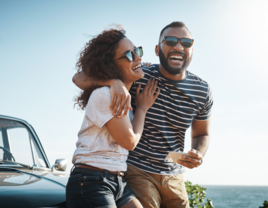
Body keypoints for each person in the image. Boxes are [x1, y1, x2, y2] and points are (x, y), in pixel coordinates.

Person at [72, 21, 213, 208]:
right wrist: (113, 81)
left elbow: (202, 134)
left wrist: (198, 153)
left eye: (186, 43)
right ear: (157, 49)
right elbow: (79, 77)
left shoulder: (202, 90)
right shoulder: (139, 73)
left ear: (192, 49)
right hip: (137, 170)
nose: (178, 46)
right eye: (170, 40)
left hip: (174, 174)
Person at [66, 27, 160, 208]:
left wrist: (135, 66)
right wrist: (142, 108)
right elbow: (129, 142)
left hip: (117, 181)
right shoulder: (105, 95)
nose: (138, 57)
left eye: (137, 51)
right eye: (130, 55)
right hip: (92, 181)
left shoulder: (122, 95)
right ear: (111, 65)